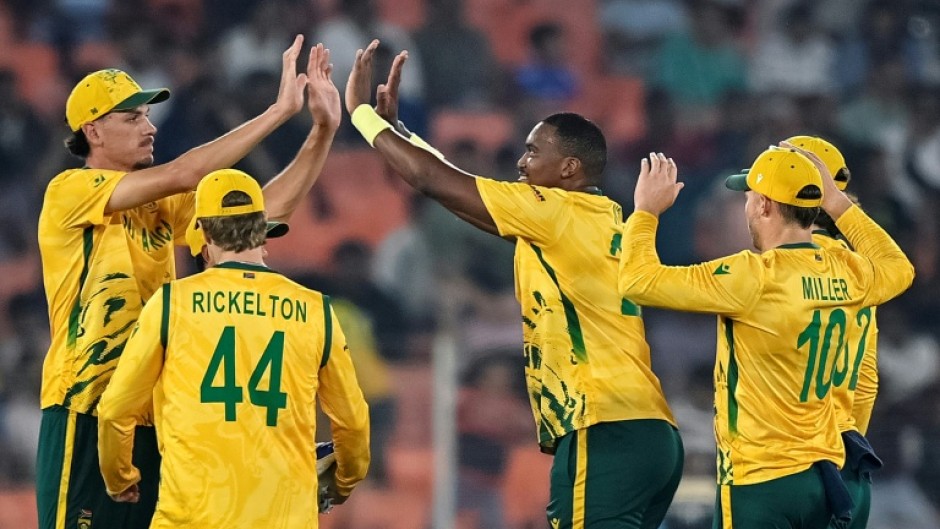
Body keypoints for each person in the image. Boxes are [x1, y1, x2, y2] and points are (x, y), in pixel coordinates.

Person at [346, 40, 683, 529]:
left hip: (603, 425)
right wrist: (401, 130)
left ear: (569, 169)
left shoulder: (556, 213)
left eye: (532, 151)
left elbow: (434, 182)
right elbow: (458, 189)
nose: (521, 164)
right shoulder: (602, 219)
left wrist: (361, 117)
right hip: (646, 430)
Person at [36, 37, 341, 529]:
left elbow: (251, 220)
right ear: (93, 130)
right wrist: (279, 112)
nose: (150, 126)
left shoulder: (159, 204)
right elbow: (189, 171)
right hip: (85, 406)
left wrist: (321, 133)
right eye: (132, 117)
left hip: (156, 417)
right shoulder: (69, 191)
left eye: (147, 116)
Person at [616, 145, 914, 528]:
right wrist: (840, 204)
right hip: (834, 470)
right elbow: (898, 271)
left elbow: (638, 281)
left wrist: (645, 212)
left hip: (762, 479)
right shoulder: (851, 271)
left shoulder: (753, 276)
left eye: (749, 196)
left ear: (765, 206)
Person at [97, 168, 370, 527]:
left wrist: (121, 479)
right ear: (263, 232)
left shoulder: (170, 305)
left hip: (190, 518)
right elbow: (352, 424)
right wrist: (342, 483)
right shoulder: (315, 310)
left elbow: (115, 411)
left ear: (205, 236)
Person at [786, 135, 882, 529]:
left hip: (789, 468)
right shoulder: (862, 269)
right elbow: (867, 380)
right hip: (849, 462)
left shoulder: (778, 269)